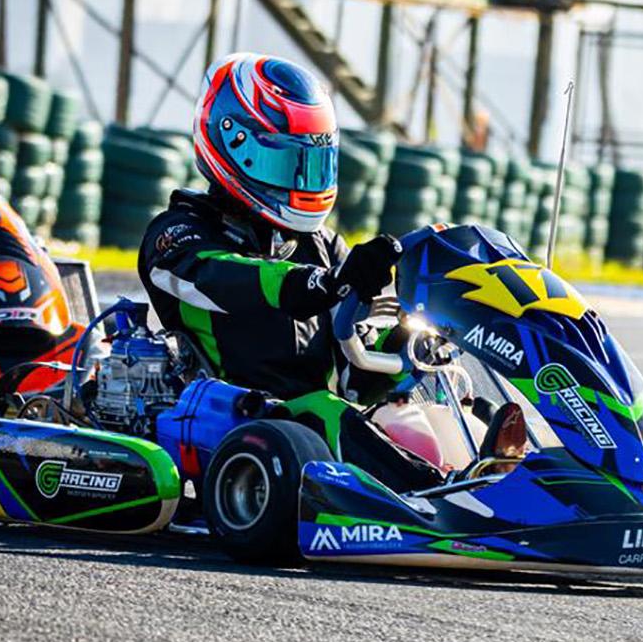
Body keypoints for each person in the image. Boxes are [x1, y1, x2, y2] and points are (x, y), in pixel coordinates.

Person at [137, 53, 446, 491]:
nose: (300, 181)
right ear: (235, 146)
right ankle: (438, 498)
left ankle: (499, 481)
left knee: (429, 397)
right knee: (327, 412)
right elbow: (225, 278)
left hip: (315, 420)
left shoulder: (322, 245)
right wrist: (316, 284)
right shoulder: (178, 234)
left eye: (311, 164)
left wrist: (406, 344)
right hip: (234, 417)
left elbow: (358, 351)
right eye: (285, 164)